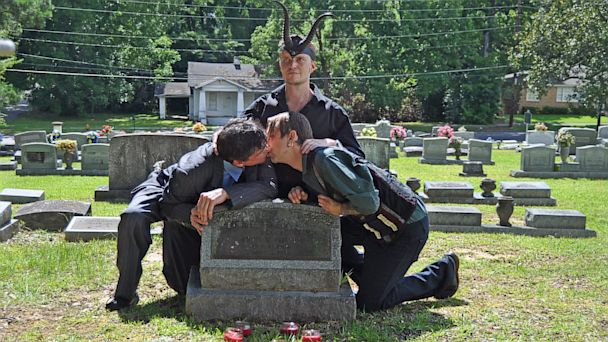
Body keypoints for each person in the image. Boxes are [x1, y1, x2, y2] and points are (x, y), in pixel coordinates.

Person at [265, 112, 460, 312]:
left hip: (405, 226)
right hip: (374, 227)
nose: (266, 143)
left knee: (370, 303)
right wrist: (305, 196)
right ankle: (374, 280)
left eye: (270, 136)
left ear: (291, 137)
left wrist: (340, 209)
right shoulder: (309, 167)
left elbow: (369, 203)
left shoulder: (324, 159)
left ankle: (441, 273)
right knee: (323, 236)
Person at [106, 118, 277, 311]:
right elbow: (168, 204)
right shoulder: (191, 169)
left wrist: (227, 193)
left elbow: (269, 186)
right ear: (238, 161)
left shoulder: (257, 152)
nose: (268, 149)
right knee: (133, 217)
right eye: (263, 150)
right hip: (169, 189)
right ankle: (124, 294)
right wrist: (190, 214)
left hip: (199, 193)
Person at [244, 1, 363, 196]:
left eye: (300, 60)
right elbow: (239, 135)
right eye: (287, 60)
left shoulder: (331, 113)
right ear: (280, 65)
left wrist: (331, 144)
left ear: (312, 67)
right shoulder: (263, 107)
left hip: (317, 201)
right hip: (264, 195)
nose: (293, 65)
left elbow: (357, 158)